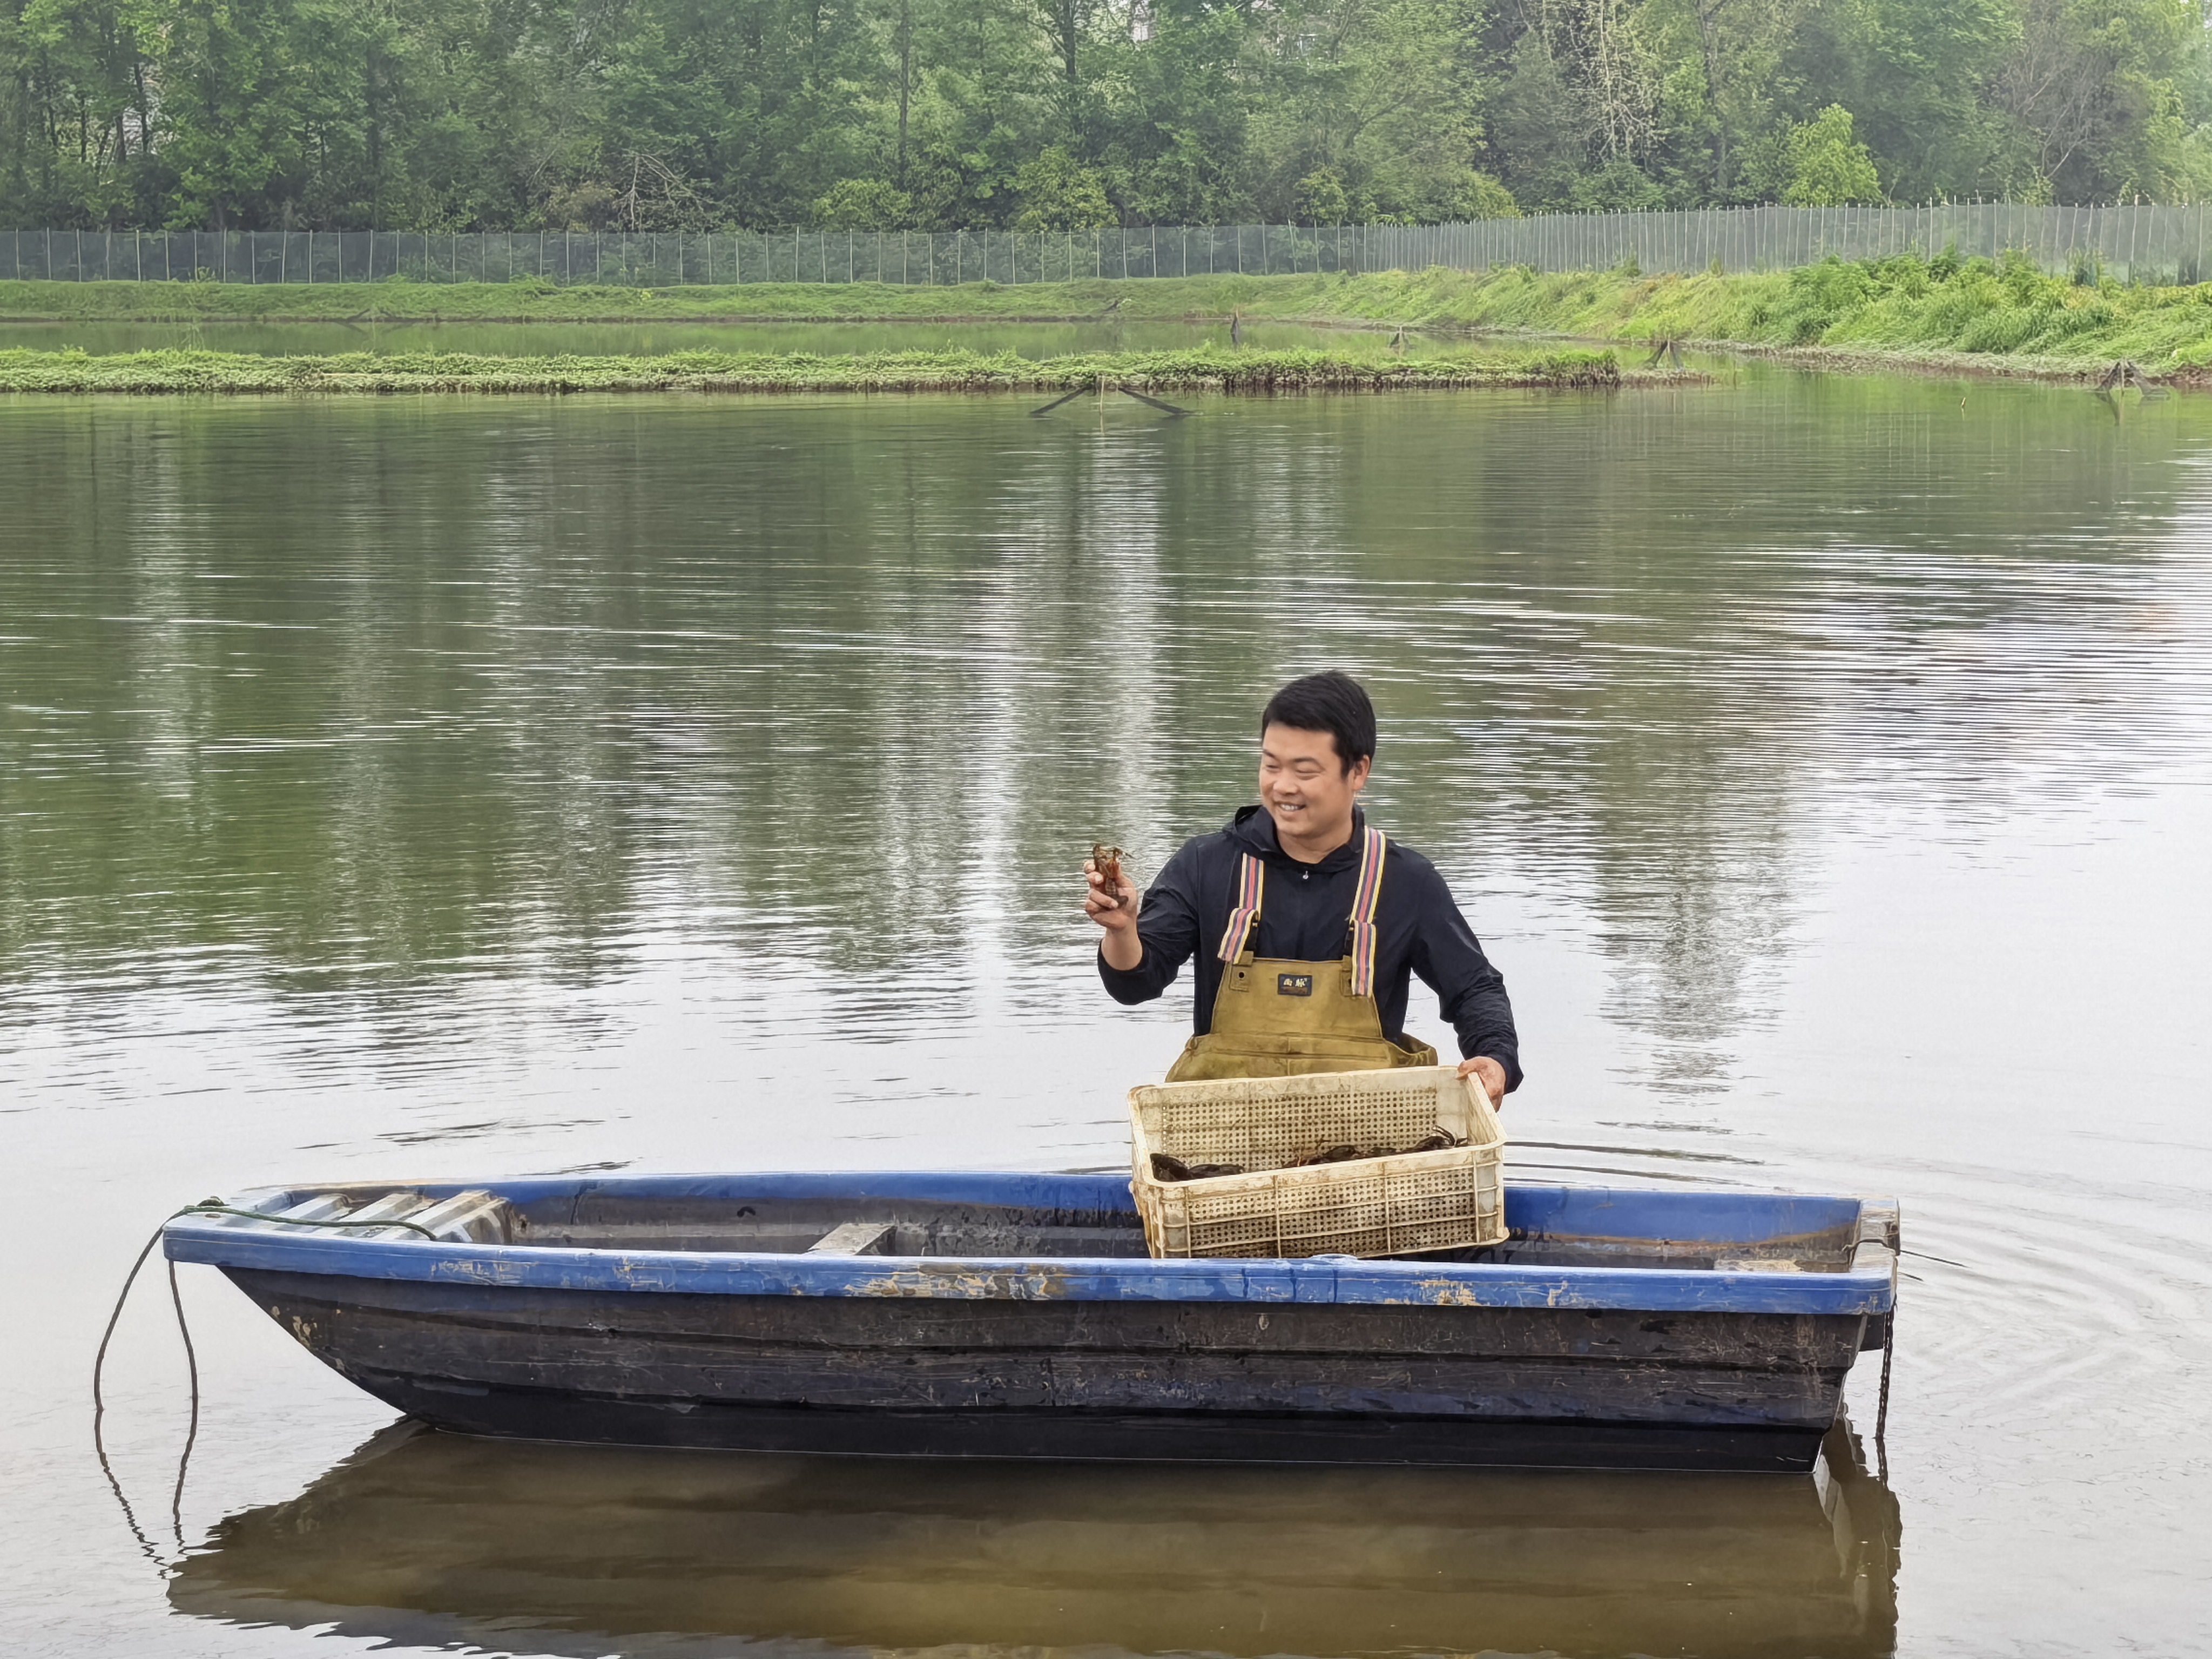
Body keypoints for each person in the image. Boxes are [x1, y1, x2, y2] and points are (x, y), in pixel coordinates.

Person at [1085, 671, 1519, 1103]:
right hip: (1224, 1125)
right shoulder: (1205, 864)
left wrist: (1494, 1058)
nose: (1282, 786)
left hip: (1366, 1125)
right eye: (1271, 765)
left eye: (1305, 771)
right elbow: (1134, 985)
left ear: (1358, 771)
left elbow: (1474, 989)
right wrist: (1122, 930)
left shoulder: (1407, 882)